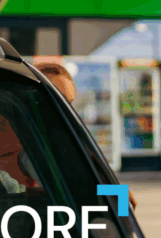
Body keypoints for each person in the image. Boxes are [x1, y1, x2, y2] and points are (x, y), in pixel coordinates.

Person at [38, 61, 138, 212]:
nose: (65, 109)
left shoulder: (62, 135)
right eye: (57, 99)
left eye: (69, 102)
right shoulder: (26, 133)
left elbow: (78, 184)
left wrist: (117, 193)